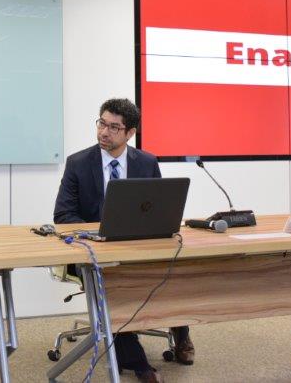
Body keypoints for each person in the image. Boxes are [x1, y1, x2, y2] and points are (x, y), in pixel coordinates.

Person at [53, 98, 194, 383]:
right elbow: (63, 215)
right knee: (112, 284)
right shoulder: (78, 163)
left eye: (113, 127)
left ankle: (180, 328)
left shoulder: (146, 162)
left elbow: (158, 210)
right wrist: (100, 233)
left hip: (138, 250)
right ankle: (139, 364)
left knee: (177, 266)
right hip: (93, 254)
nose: (104, 132)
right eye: (101, 123)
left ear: (130, 132)